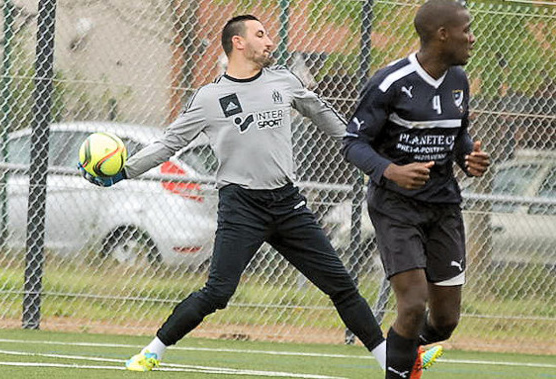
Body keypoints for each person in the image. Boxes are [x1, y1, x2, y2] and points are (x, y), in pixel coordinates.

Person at [80, 15, 442, 377]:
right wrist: (123, 173)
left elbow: (326, 117)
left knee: (342, 286)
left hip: (287, 204)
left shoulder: (283, 80)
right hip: (241, 207)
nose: (269, 41)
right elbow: (167, 144)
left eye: (268, 34)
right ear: (238, 43)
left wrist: (374, 157)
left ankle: (397, 364)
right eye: (260, 34)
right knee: (217, 293)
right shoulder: (210, 98)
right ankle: (152, 352)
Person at [342, 1, 490, 378]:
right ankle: (400, 369)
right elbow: (353, 143)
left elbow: (457, 136)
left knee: (445, 322)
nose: (472, 38)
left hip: (443, 206)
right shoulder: (390, 82)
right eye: (466, 30)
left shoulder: (459, 80)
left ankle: (404, 357)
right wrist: (391, 170)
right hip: (396, 206)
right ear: (443, 34)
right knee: (412, 306)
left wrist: (466, 157)